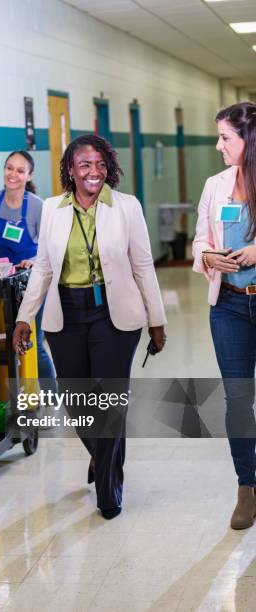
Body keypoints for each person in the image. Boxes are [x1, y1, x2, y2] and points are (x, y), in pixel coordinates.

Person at [12, 134, 166, 519]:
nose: (93, 172)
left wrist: (157, 320)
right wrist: (24, 317)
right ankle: (102, 457)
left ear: (108, 167)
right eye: (85, 165)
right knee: (78, 400)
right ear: (70, 170)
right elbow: (44, 267)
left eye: (99, 164)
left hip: (116, 317)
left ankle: (109, 492)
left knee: (110, 401)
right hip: (66, 315)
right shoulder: (53, 209)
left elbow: (143, 265)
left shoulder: (127, 207)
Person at [193, 101, 256, 530]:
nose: (219, 145)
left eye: (225, 137)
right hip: (229, 305)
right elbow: (200, 239)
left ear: (248, 139)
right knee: (237, 401)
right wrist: (210, 257)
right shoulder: (215, 184)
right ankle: (246, 487)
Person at [0, 150, 56, 382]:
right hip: (2, 282)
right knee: (1, 342)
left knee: (32, 342)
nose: (13, 174)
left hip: (33, 281)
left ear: (29, 175)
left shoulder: (38, 206)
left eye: (20, 170)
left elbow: (51, 249)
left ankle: (53, 399)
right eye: (9, 168)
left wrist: (34, 261)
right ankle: (15, 401)